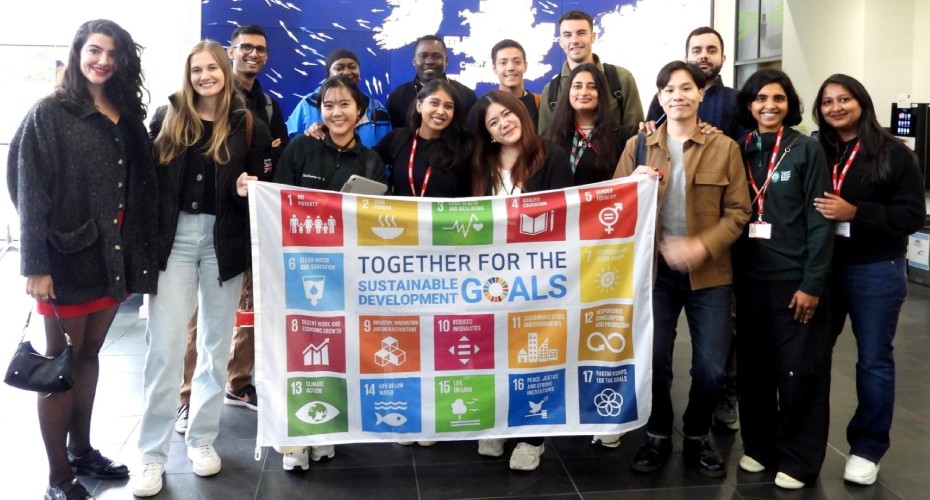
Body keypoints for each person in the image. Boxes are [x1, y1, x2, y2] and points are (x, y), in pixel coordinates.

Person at [7, 19, 159, 500]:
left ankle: (83, 449)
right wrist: (35, 265)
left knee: (90, 356)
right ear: (77, 53)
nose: (104, 61)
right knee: (61, 365)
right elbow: (28, 190)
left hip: (114, 256)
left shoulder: (127, 110)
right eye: (95, 50)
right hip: (66, 258)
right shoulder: (50, 112)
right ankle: (57, 476)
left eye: (113, 54)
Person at [131, 40, 270, 497]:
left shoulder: (249, 124)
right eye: (197, 70)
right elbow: (148, 181)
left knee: (215, 345)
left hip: (222, 241)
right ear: (187, 74)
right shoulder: (168, 116)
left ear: (224, 72)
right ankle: (151, 456)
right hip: (173, 239)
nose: (205, 76)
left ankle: (203, 440)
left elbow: (260, 182)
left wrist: (249, 186)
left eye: (212, 68)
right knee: (165, 349)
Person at [614, 61, 750, 478]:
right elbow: (611, 207)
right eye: (669, 89)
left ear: (700, 95)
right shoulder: (639, 146)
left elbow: (740, 211)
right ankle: (657, 435)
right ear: (660, 97)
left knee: (711, 368)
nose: (678, 95)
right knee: (654, 360)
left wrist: (700, 246)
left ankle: (696, 436)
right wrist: (627, 186)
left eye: (686, 88)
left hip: (709, 275)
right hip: (654, 275)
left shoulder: (723, 147)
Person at [174, 22, 290, 437]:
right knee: (196, 317)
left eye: (260, 49)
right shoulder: (188, 108)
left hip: (245, 220)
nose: (253, 55)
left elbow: (272, 162)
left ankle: (237, 382)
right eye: (245, 48)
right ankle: (187, 398)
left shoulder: (268, 108)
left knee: (242, 309)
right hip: (195, 227)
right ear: (230, 53)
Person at [812, 74, 926, 486]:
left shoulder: (895, 153)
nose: (836, 107)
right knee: (810, 356)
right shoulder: (815, 149)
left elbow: (911, 216)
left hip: (874, 269)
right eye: (827, 102)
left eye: (844, 99)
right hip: (822, 269)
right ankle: (804, 442)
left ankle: (867, 448)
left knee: (874, 361)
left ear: (862, 102)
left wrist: (855, 212)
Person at [272, 75, 386, 469]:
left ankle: (326, 430)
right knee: (297, 355)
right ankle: (294, 442)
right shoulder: (300, 147)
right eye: (328, 105)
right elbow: (279, 201)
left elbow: (374, 222)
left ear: (361, 112)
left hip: (347, 274)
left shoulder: (372, 162)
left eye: (344, 105)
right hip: (299, 268)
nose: (336, 112)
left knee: (336, 354)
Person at [732, 68, 834, 490]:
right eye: (760, 98)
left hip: (794, 280)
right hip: (749, 281)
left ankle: (798, 459)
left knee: (800, 372)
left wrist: (812, 284)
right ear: (749, 105)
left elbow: (820, 221)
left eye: (777, 98)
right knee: (754, 371)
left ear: (789, 103)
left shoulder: (806, 150)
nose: (769, 105)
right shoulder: (741, 148)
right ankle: (759, 447)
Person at [471, 90, 572, 470]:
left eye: (507, 115)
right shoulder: (482, 161)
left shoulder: (552, 155)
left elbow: (565, 213)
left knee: (533, 354)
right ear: (489, 133)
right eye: (493, 122)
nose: (503, 124)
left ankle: (532, 435)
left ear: (521, 114)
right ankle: (498, 422)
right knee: (494, 351)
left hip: (538, 274)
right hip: (491, 274)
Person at [538, 10, 643, 134]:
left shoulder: (621, 79)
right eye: (567, 35)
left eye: (581, 33)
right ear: (561, 42)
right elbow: (545, 142)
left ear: (593, 37)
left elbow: (636, 137)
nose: (575, 40)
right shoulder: (550, 91)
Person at [374, 79, 472, 198]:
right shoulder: (398, 138)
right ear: (419, 106)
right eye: (434, 103)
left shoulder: (462, 147)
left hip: (444, 216)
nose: (441, 111)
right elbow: (368, 164)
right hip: (400, 216)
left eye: (448, 106)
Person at [644, 27, 742, 141]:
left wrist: (718, 140)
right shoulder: (666, 98)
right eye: (696, 51)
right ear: (685, 60)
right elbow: (651, 141)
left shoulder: (737, 99)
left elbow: (746, 145)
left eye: (712, 51)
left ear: (723, 59)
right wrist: (648, 128)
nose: (704, 56)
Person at [541, 63, 632, 186]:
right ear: (568, 92)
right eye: (577, 86)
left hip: (608, 205)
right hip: (565, 205)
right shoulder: (549, 137)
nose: (583, 92)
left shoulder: (621, 136)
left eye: (592, 87)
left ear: (601, 93)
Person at [286, 48, 391, 146]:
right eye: (339, 68)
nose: (346, 72)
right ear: (328, 75)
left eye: (352, 67)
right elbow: (289, 143)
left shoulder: (377, 110)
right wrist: (307, 136)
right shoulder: (308, 104)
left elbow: (386, 153)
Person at [386, 35, 478, 129]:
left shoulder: (467, 96)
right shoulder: (397, 97)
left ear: (446, 61)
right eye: (423, 56)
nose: (429, 61)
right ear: (414, 61)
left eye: (436, 56)